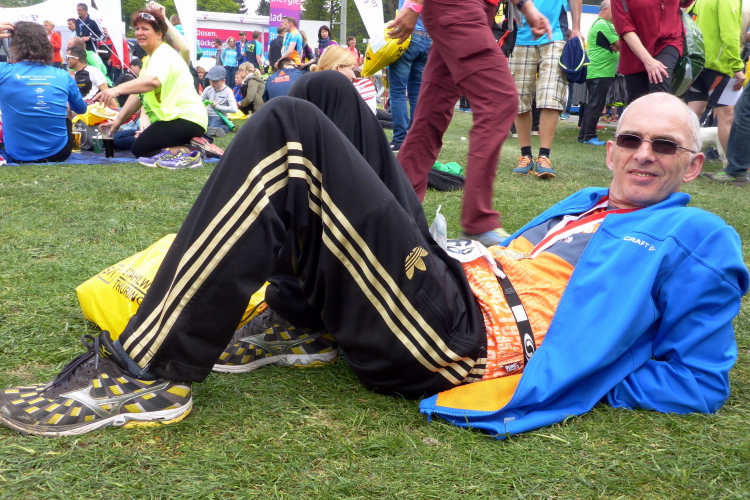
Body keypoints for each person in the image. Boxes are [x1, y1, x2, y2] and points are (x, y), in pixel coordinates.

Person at [1, 87, 746, 439]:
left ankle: (146, 374)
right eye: (631, 140)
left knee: (290, 130)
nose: (642, 155)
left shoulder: (698, 236)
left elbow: (698, 380)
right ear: (611, 149)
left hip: (461, 340)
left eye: (665, 147)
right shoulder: (586, 202)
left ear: (691, 166)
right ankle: (302, 321)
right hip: (451, 281)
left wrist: (579, 372)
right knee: (327, 95)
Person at [392, 0, 551, 247]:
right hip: (456, 7)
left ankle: (395, 210)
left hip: (473, 10)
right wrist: (413, 6)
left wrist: (526, 7)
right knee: (499, 100)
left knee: (431, 114)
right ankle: (478, 223)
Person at [95, 6, 207, 170]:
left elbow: (153, 81)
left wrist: (116, 89)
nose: (139, 33)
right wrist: (118, 121)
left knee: (141, 148)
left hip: (185, 118)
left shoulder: (164, 53)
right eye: (137, 29)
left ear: (159, 34)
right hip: (177, 119)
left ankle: (192, 152)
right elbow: (138, 95)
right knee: (140, 149)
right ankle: (187, 146)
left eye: (145, 29)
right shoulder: (149, 60)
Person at [510, 0, 582, 178]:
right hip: (518, 36)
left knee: (551, 94)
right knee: (519, 98)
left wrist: (576, 27)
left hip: (554, 34)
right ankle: (525, 155)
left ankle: (544, 156)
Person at [0, 21, 86, 164]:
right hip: (59, 153)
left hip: (17, 154)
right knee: (66, 108)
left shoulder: (4, 71)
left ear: (14, 45)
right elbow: (81, 109)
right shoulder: (63, 75)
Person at [685, 0, 745, 167]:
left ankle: (681, 160)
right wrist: (736, 67)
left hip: (697, 62)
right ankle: (733, 169)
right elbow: (730, 33)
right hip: (720, 66)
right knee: (728, 116)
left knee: (693, 113)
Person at [611, 0, 689, 103]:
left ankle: (663, 111)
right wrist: (648, 61)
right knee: (638, 101)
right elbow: (625, 29)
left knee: (659, 76)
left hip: (669, 40)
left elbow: (684, 2)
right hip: (636, 50)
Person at [386, 0, 431, 152]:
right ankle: (416, 139)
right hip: (428, 39)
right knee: (416, 92)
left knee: (398, 91)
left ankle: (400, 139)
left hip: (408, 35)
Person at [577, 0, 619, 146]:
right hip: (600, 70)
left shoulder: (604, 24)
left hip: (600, 70)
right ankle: (589, 136)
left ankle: (583, 135)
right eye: (614, 10)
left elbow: (618, 44)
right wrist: (618, 45)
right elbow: (621, 43)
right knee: (596, 104)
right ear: (605, 9)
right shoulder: (602, 24)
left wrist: (617, 45)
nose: (616, 13)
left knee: (593, 104)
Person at [311, 46, 375, 112]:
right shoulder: (360, 89)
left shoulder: (311, 91)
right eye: (352, 69)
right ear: (336, 68)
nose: (354, 76)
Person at [202, 65, 238, 138]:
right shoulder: (208, 89)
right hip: (206, 115)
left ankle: (226, 128)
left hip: (218, 116)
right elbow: (200, 101)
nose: (212, 83)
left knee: (210, 129)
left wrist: (217, 107)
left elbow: (234, 109)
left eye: (215, 81)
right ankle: (219, 127)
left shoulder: (228, 91)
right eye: (210, 80)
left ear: (223, 81)